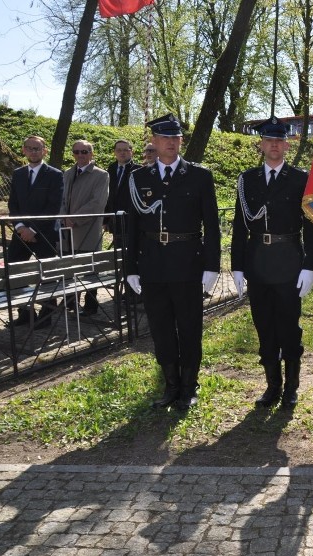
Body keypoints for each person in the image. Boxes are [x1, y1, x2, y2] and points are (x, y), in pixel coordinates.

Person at [125, 114, 221, 410]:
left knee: (190, 328)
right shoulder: (138, 178)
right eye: (164, 137)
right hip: (153, 265)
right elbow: (131, 227)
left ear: (181, 141)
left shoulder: (199, 176)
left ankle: (190, 387)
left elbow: (212, 226)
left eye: (175, 137)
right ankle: (171, 386)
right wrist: (130, 268)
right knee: (161, 329)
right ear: (153, 141)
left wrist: (212, 266)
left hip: (188, 263)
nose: (170, 142)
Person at [230, 116, 313, 410]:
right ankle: (272, 385)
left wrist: (310, 265)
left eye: (279, 141)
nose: (274, 146)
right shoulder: (248, 180)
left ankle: (291, 386)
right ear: (261, 144)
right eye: (269, 141)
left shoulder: (300, 179)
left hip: (289, 261)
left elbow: (311, 225)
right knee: (264, 326)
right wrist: (237, 265)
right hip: (257, 261)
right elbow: (240, 226)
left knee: (289, 327)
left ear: (286, 146)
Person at [7, 135, 64, 328]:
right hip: (20, 232)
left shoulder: (55, 175)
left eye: (37, 148)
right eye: (30, 148)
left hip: (44, 232)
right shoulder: (18, 174)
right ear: (23, 150)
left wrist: (33, 229)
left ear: (44, 151)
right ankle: (24, 311)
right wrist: (21, 227)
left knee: (47, 274)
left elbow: (53, 206)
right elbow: (13, 203)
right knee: (14, 270)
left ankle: (47, 315)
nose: (33, 151)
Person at [60, 139, 109, 315]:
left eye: (84, 152)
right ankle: (70, 302)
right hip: (67, 230)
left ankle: (90, 305)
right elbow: (62, 199)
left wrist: (75, 218)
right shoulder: (67, 173)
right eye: (77, 151)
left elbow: (97, 202)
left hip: (87, 229)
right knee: (68, 268)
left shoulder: (101, 175)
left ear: (91, 154)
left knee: (89, 269)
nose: (80, 155)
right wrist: (63, 217)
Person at [104, 139, 140, 244]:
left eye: (125, 150)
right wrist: (105, 220)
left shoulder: (138, 170)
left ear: (131, 152)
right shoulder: (110, 169)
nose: (122, 152)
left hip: (131, 219)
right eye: (119, 150)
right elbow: (107, 195)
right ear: (114, 152)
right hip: (114, 219)